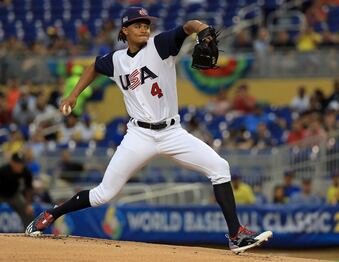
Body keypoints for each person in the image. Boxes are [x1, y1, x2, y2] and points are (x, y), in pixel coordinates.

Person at [25, 6, 272, 253]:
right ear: (125, 30)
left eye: (146, 24)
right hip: (139, 135)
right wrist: (73, 95)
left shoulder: (160, 45)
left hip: (171, 133)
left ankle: (236, 235)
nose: (144, 28)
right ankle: (50, 214)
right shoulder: (116, 60)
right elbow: (94, 67)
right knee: (103, 194)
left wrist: (202, 30)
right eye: (137, 24)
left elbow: (188, 26)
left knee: (220, 168)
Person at [0, 152, 34, 228]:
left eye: (21, 163)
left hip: (14, 195)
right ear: (12, 162)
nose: (20, 166)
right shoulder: (3, 170)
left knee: (28, 211)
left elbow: (28, 189)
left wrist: (28, 205)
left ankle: (30, 230)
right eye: (17, 163)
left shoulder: (26, 172)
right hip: (1, 194)